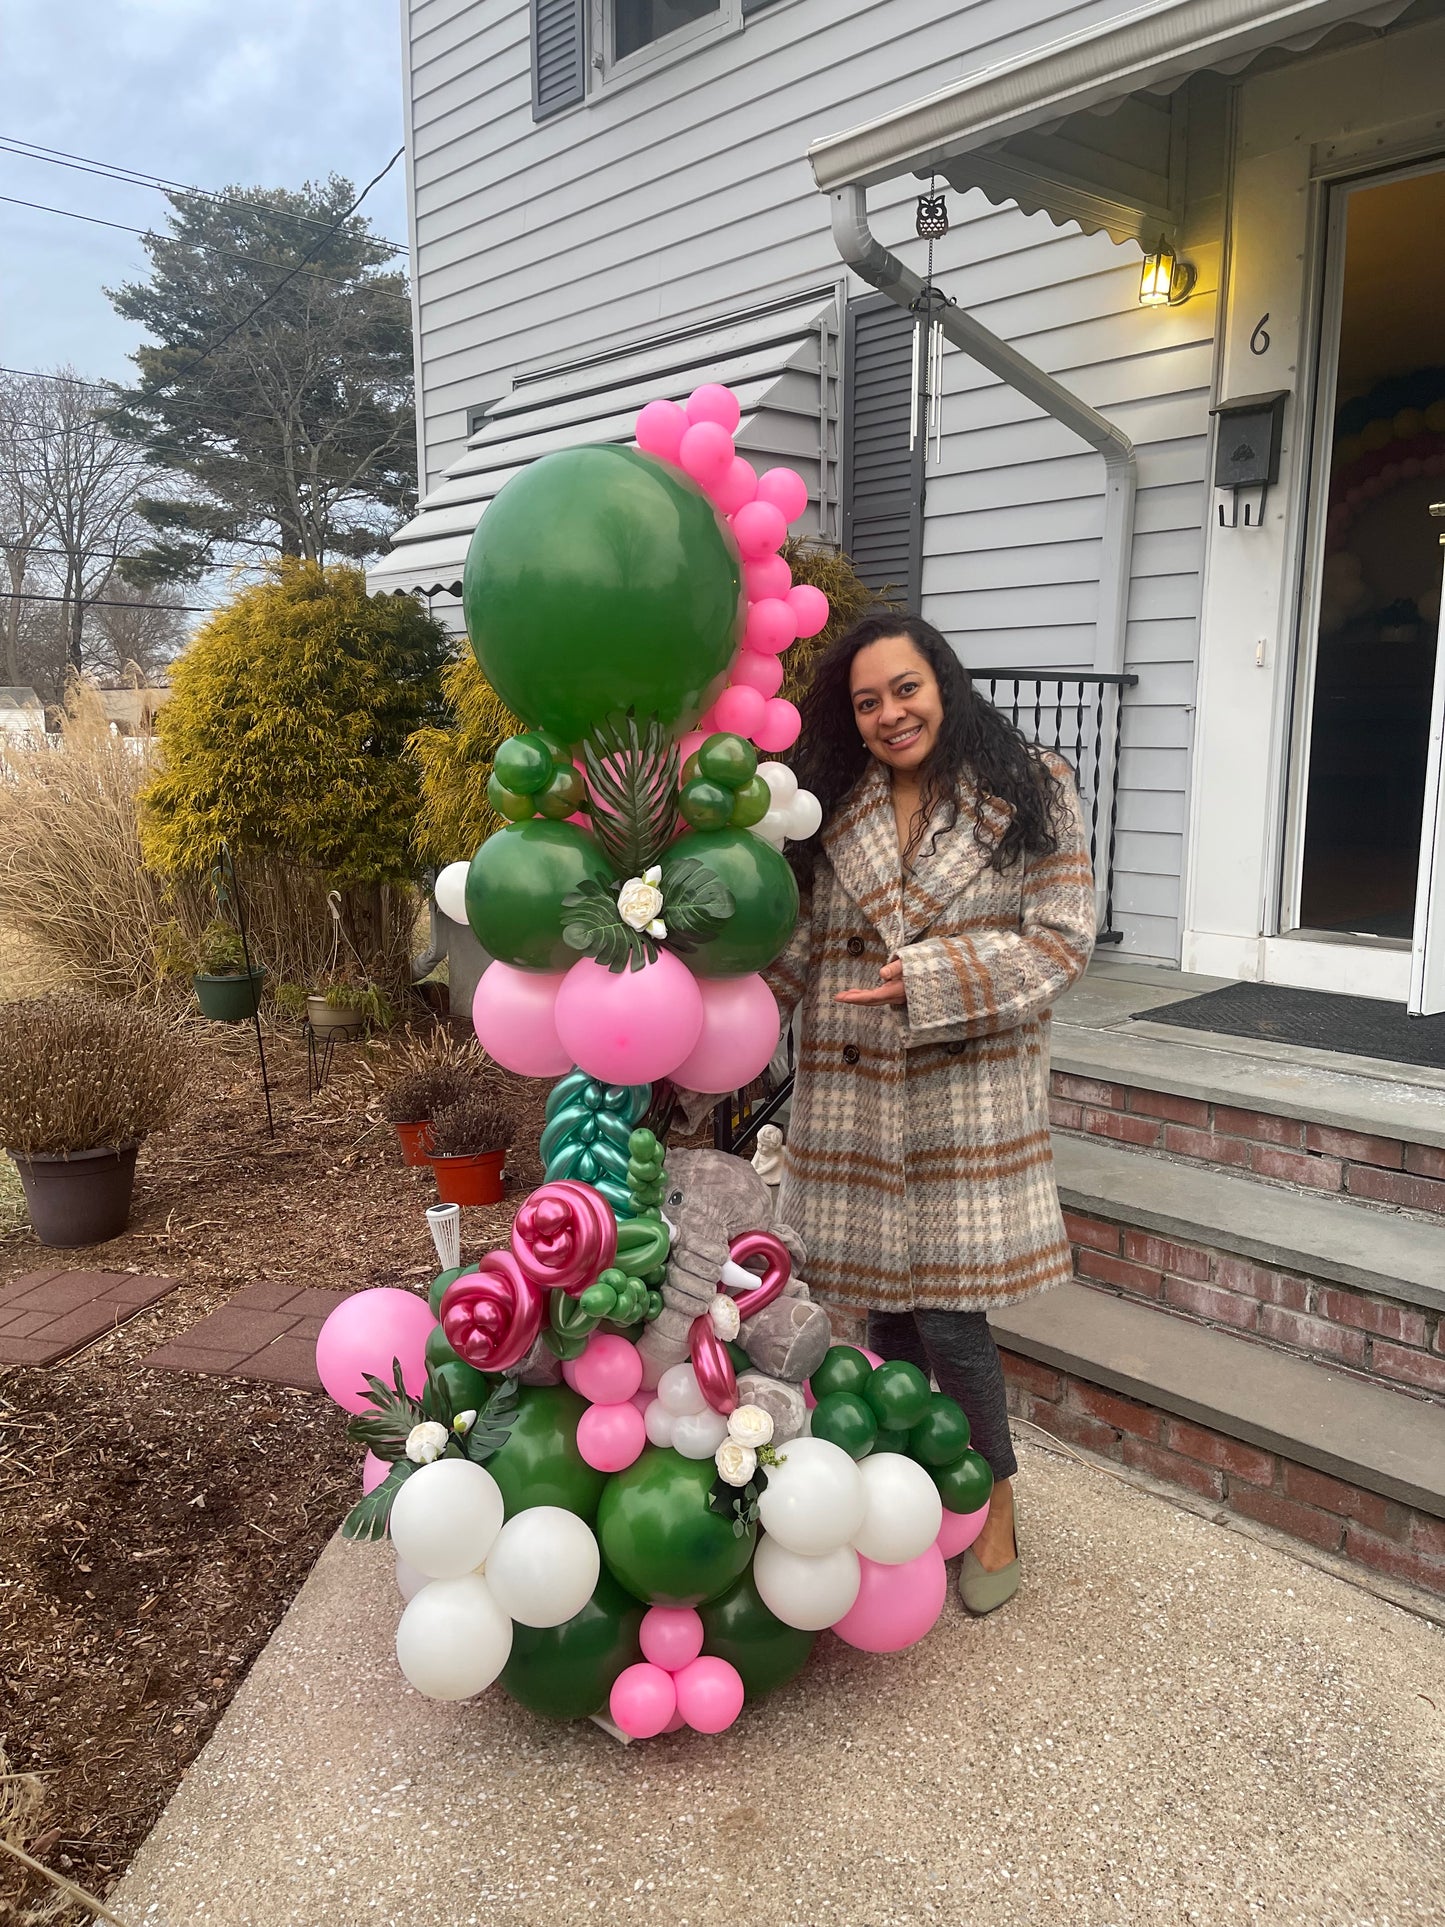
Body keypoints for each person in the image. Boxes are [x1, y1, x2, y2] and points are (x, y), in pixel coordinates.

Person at [768, 612, 1096, 1615]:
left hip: (967, 1091)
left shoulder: (1026, 786)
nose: (887, 714)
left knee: (951, 1320)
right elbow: (797, 948)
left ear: (941, 682)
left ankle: (993, 1500)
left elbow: (1060, 938)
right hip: (852, 1089)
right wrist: (721, 1011)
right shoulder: (830, 803)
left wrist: (931, 976)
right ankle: (907, 1501)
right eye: (866, 700)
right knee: (879, 1323)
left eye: (903, 688)